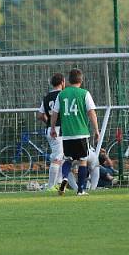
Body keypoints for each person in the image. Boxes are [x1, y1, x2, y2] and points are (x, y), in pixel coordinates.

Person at [50, 68, 100, 196]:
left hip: (66, 134)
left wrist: (53, 128)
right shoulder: (84, 93)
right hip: (81, 133)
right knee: (83, 161)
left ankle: (65, 177)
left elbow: (54, 113)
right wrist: (96, 130)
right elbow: (91, 113)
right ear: (81, 80)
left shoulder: (61, 94)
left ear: (68, 80)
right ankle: (81, 190)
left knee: (67, 160)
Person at [37, 73, 65, 190]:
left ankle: (58, 184)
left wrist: (48, 121)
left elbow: (39, 115)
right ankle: (51, 186)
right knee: (57, 158)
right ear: (63, 82)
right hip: (58, 130)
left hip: (50, 129)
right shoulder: (63, 95)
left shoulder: (47, 97)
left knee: (61, 157)